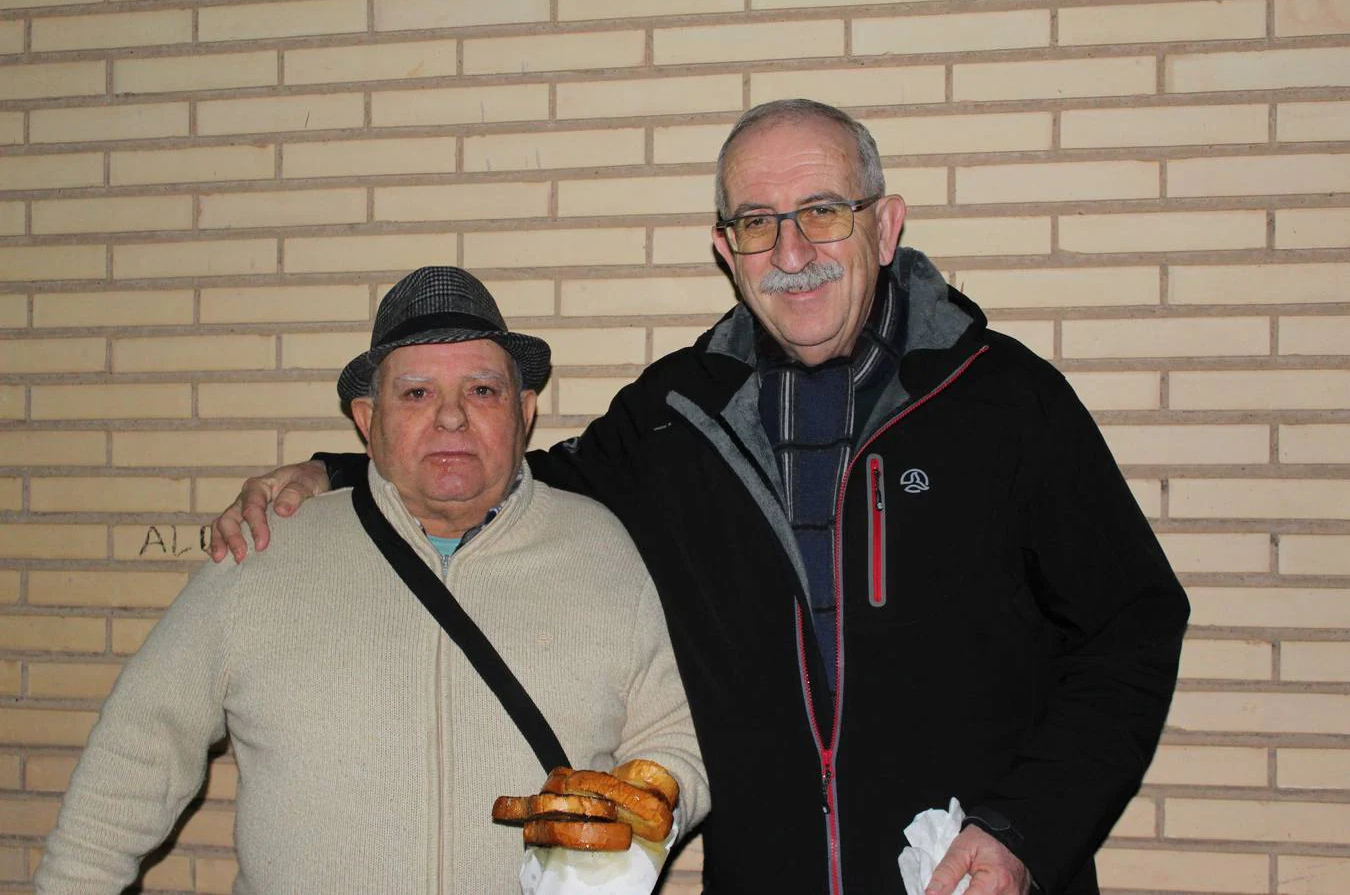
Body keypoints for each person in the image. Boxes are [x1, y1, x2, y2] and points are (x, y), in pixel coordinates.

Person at [210, 100, 1189, 894]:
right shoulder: (677, 414)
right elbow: (522, 490)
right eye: (757, 223)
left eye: (822, 211)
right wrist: (341, 472)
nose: (791, 250)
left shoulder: (1001, 399)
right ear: (726, 249)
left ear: (884, 226)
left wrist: (1024, 830)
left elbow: (1133, 627)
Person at [37, 267, 708, 893]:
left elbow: (676, 733)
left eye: (482, 390)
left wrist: (640, 836)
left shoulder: (599, 549)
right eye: (416, 393)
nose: (451, 417)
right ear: (368, 421)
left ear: (523, 411)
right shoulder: (266, 551)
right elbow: (131, 765)